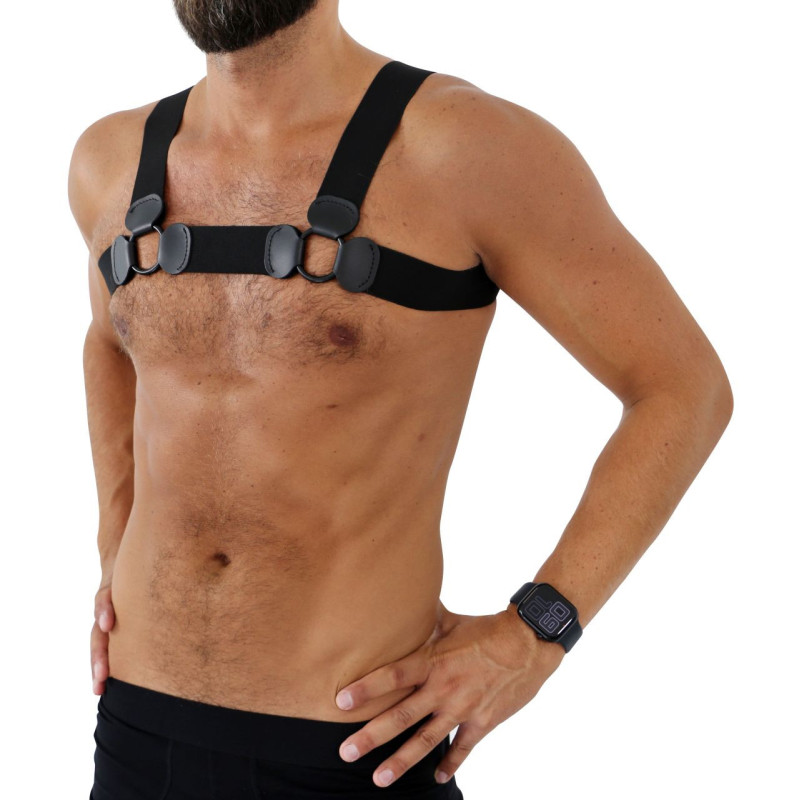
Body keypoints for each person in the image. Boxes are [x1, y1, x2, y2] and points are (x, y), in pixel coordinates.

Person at [68, 1, 733, 797]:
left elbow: (683, 387)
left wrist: (536, 632)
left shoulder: (464, 147)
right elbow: (110, 339)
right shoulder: (110, 159)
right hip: (138, 730)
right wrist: (114, 544)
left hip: (355, 747)